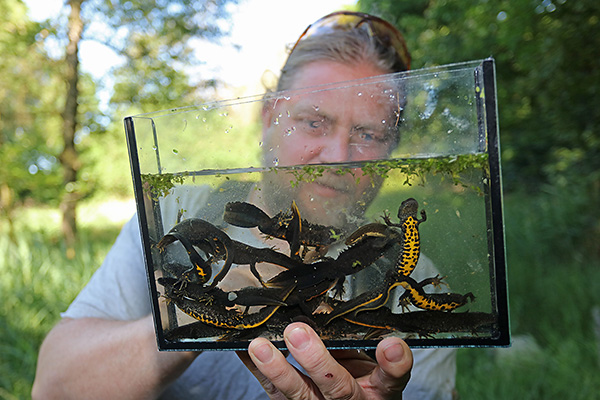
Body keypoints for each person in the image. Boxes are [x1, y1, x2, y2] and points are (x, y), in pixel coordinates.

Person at [32, 11, 457, 399]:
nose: (337, 155)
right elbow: (54, 388)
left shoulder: (410, 275)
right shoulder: (179, 214)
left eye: (368, 134)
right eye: (314, 122)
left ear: (391, 153)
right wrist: (203, 306)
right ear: (269, 117)